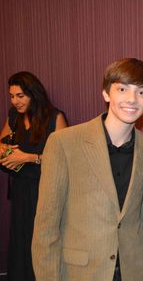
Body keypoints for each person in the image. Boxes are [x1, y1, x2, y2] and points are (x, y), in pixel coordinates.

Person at [31, 58, 143, 281]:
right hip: (81, 271)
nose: (131, 99)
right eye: (122, 89)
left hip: (135, 271)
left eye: (141, 92)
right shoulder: (64, 143)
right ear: (106, 94)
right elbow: (46, 224)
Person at [0, 71, 67, 281]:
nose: (15, 101)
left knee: (43, 240)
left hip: (45, 188)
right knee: (22, 239)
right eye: (11, 96)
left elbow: (65, 160)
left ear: (33, 93)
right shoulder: (13, 115)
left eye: (20, 96)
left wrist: (28, 157)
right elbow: (1, 145)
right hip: (20, 188)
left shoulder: (55, 117)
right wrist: (9, 154)